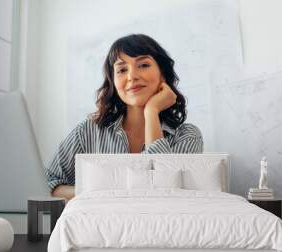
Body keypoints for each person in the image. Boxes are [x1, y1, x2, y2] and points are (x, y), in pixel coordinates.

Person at [45, 34, 203, 200]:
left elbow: (162, 192)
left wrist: (151, 112)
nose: (131, 76)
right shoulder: (88, 131)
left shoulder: (188, 136)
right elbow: (48, 184)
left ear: (162, 74)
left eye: (143, 65)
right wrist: (95, 192)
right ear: (113, 81)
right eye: (121, 70)